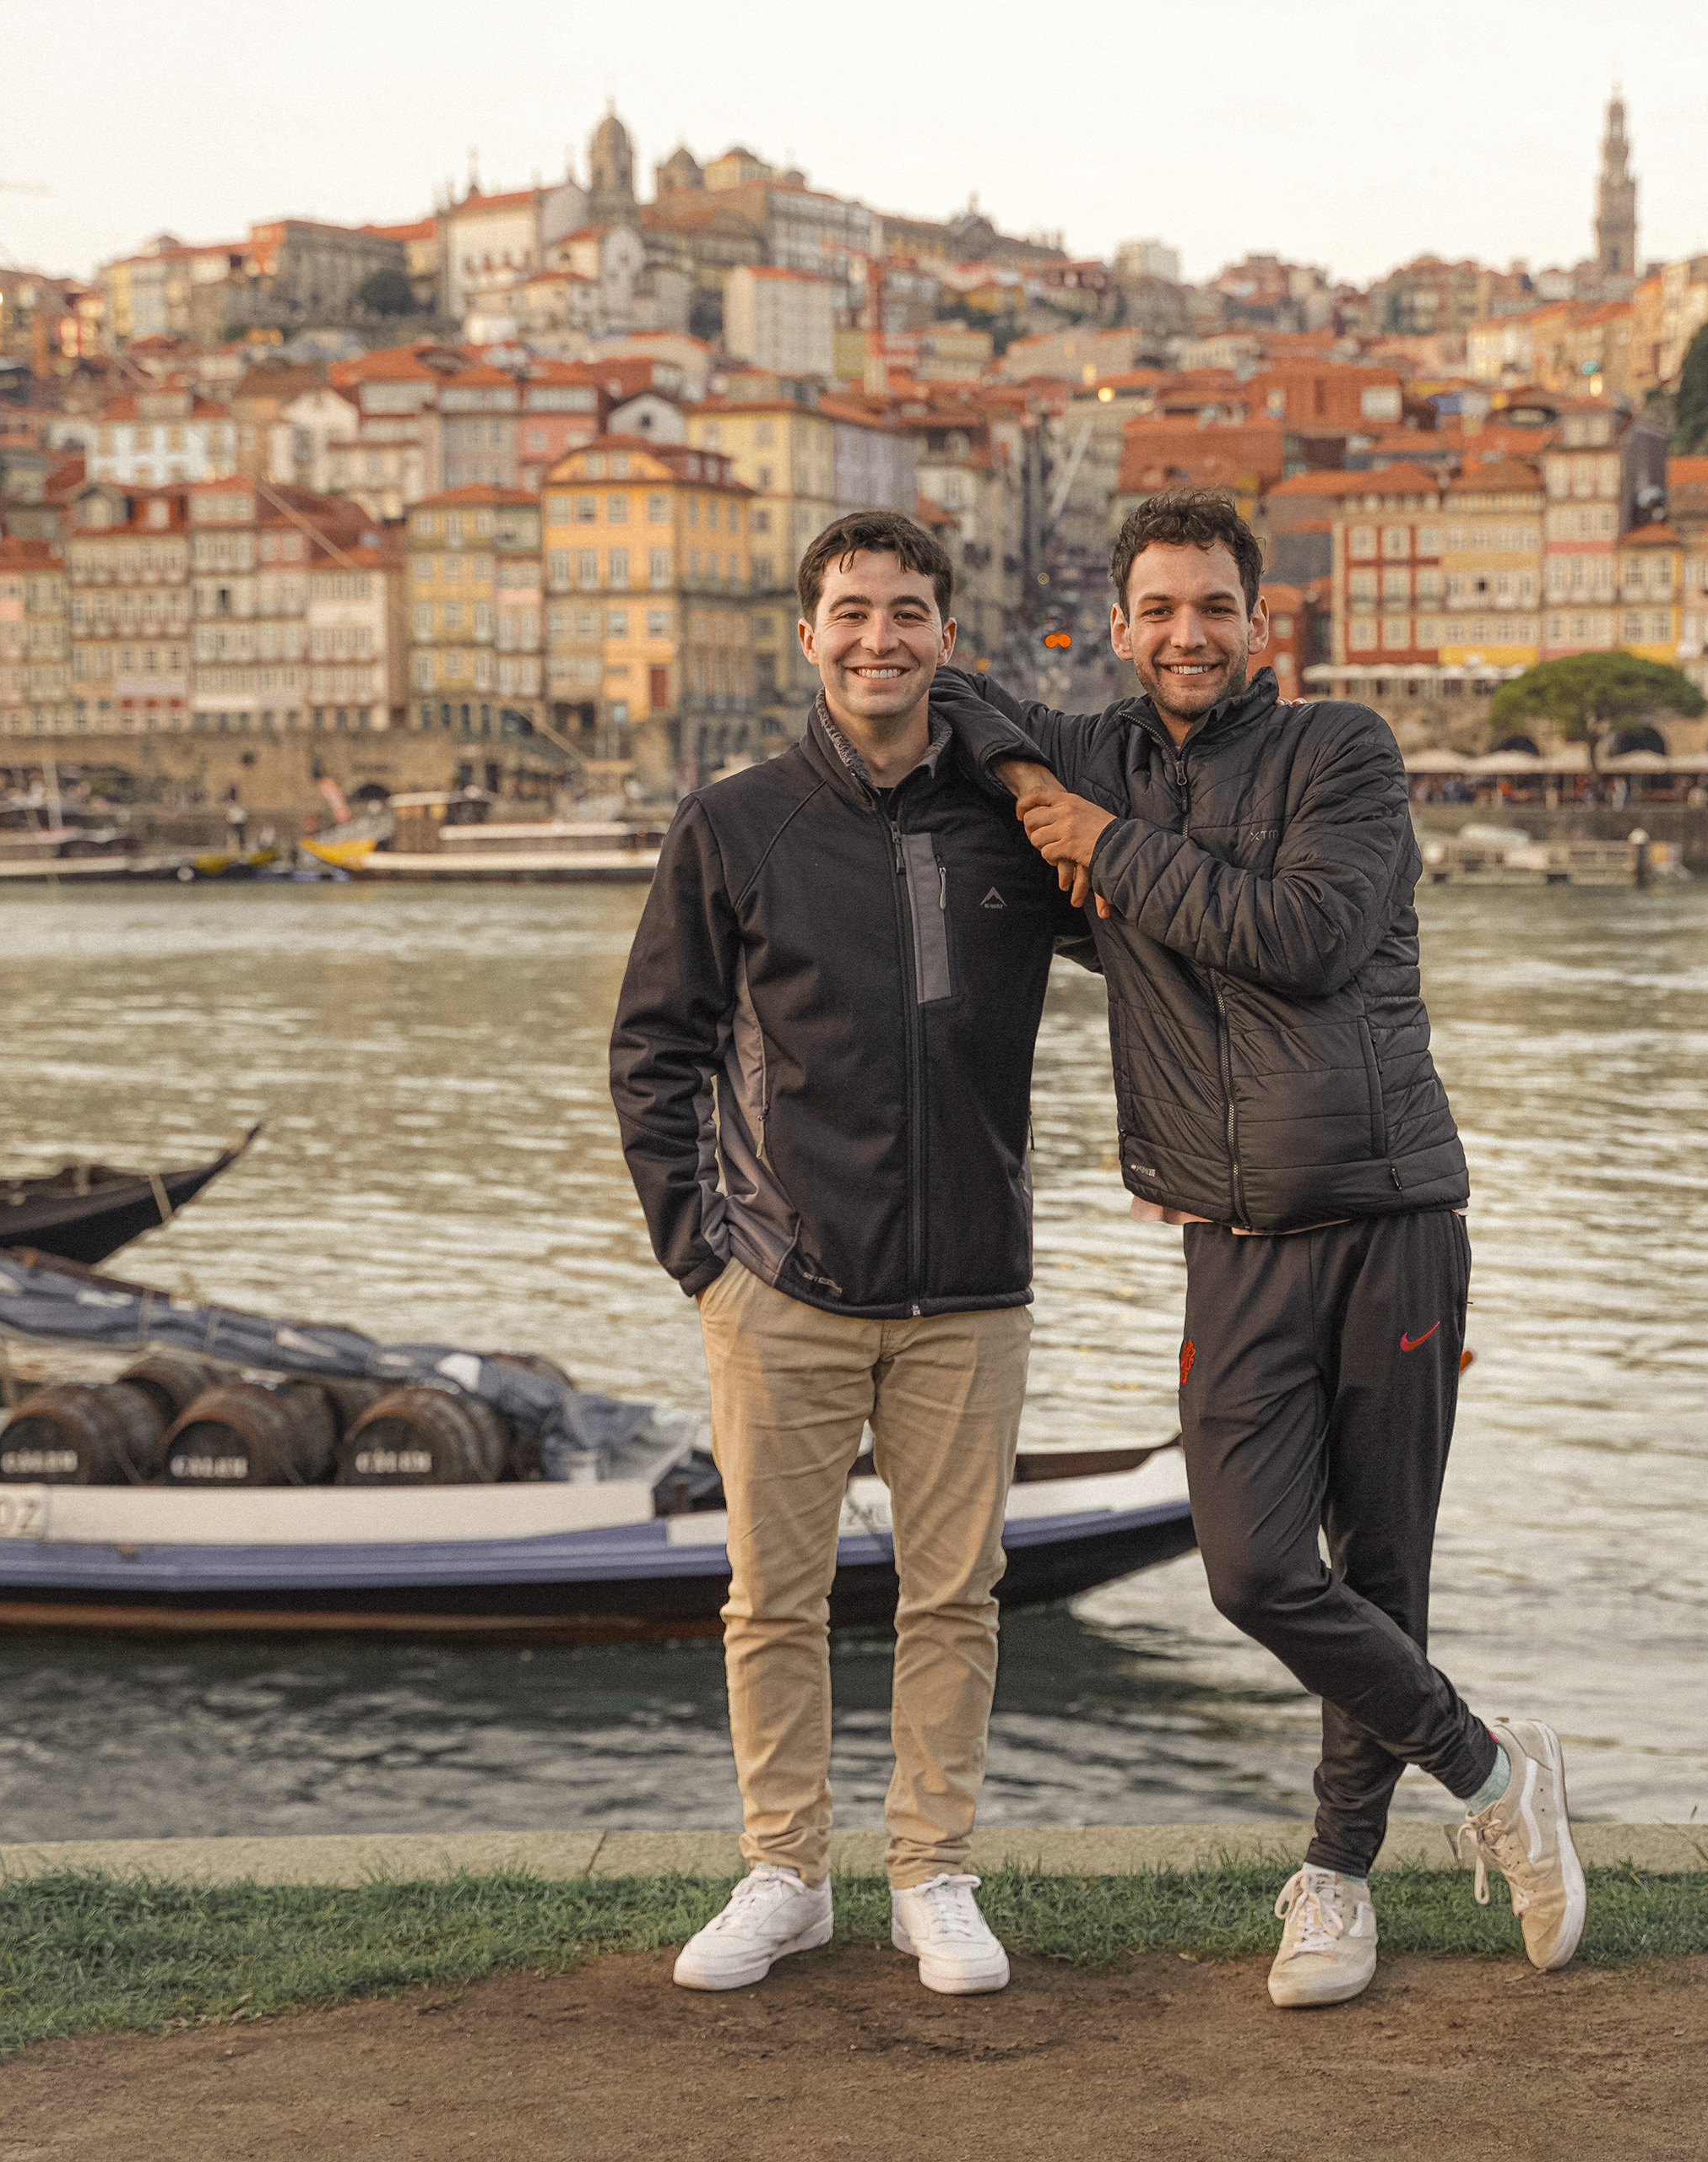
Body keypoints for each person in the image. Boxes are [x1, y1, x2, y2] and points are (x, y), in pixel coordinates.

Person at [929, 488, 1583, 2012]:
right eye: (1159, 609)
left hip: (1387, 1211)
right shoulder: (1090, 751)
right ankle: (1496, 1775)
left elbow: (1306, 936)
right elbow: (961, 700)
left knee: (1382, 1563)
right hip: (1227, 1233)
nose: (1188, 634)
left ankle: (1338, 1881)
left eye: (1214, 606)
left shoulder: (1341, 749)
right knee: (1253, 1568)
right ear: (1118, 626)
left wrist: (1101, 845)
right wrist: (1035, 786)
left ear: (1256, 619)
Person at [610, 508, 1080, 1998]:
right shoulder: (735, 824)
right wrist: (705, 1256)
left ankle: (932, 1874)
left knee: (956, 1598)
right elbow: (656, 1050)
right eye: (854, 612)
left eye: (908, 612)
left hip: (972, 1288)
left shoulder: (1012, 825)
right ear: (808, 636)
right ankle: (786, 1874)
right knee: (773, 1601)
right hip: (782, 1283)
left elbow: (1160, 944)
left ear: (947, 637)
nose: (880, 637)